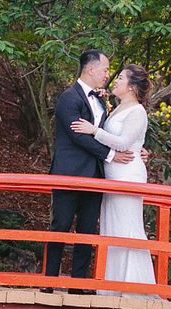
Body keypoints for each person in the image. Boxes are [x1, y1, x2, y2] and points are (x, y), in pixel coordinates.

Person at [44, 50, 134, 292]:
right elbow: (78, 136)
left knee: (87, 230)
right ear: (90, 69)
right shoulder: (68, 98)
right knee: (60, 226)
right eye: (105, 70)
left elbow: (108, 133)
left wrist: (137, 148)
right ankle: (48, 282)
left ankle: (78, 284)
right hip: (69, 173)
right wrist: (111, 155)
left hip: (95, 175)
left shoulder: (100, 100)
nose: (107, 74)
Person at [70, 64, 155, 291]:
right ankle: (112, 285)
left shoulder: (137, 111)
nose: (115, 80)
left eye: (121, 78)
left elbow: (124, 143)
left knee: (127, 227)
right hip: (113, 175)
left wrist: (94, 130)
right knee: (113, 227)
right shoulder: (118, 108)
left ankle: (133, 287)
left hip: (127, 174)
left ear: (132, 86)